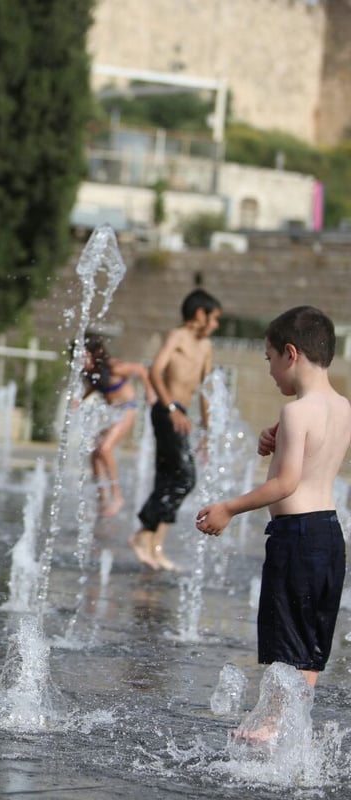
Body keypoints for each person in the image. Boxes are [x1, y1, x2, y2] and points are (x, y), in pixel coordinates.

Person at [195, 306, 351, 743]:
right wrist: (278, 435)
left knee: (286, 639)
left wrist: (229, 507)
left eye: (268, 360)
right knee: (310, 642)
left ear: (290, 354)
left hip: (296, 537)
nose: (269, 371)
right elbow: (313, 451)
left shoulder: (295, 413)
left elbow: (285, 483)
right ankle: (290, 726)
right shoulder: (342, 406)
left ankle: (269, 727)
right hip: (328, 536)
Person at [129, 288, 221, 571]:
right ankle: (142, 533)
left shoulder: (205, 347)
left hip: (181, 414)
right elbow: (155, 371)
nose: (216, 325)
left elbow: (205, 392)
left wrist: (207, 431)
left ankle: (155, 546)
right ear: (199, 314)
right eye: (214, 318)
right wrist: (170, 408)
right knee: (185, 477)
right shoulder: (177, 337)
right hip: (166, 411)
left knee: (168, 477)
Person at [79, 331, 155, 517]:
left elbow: (141, 370)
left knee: (105, 449)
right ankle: (102, 501)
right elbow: (95, 387)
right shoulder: (91, 372)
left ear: (95, 353)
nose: (80, 360)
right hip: (112, 412)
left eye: (84, 356)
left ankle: (118, 496)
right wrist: (80, 400)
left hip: (127, 408)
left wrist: (150, 393)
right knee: (95, 454)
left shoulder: (113, 367)